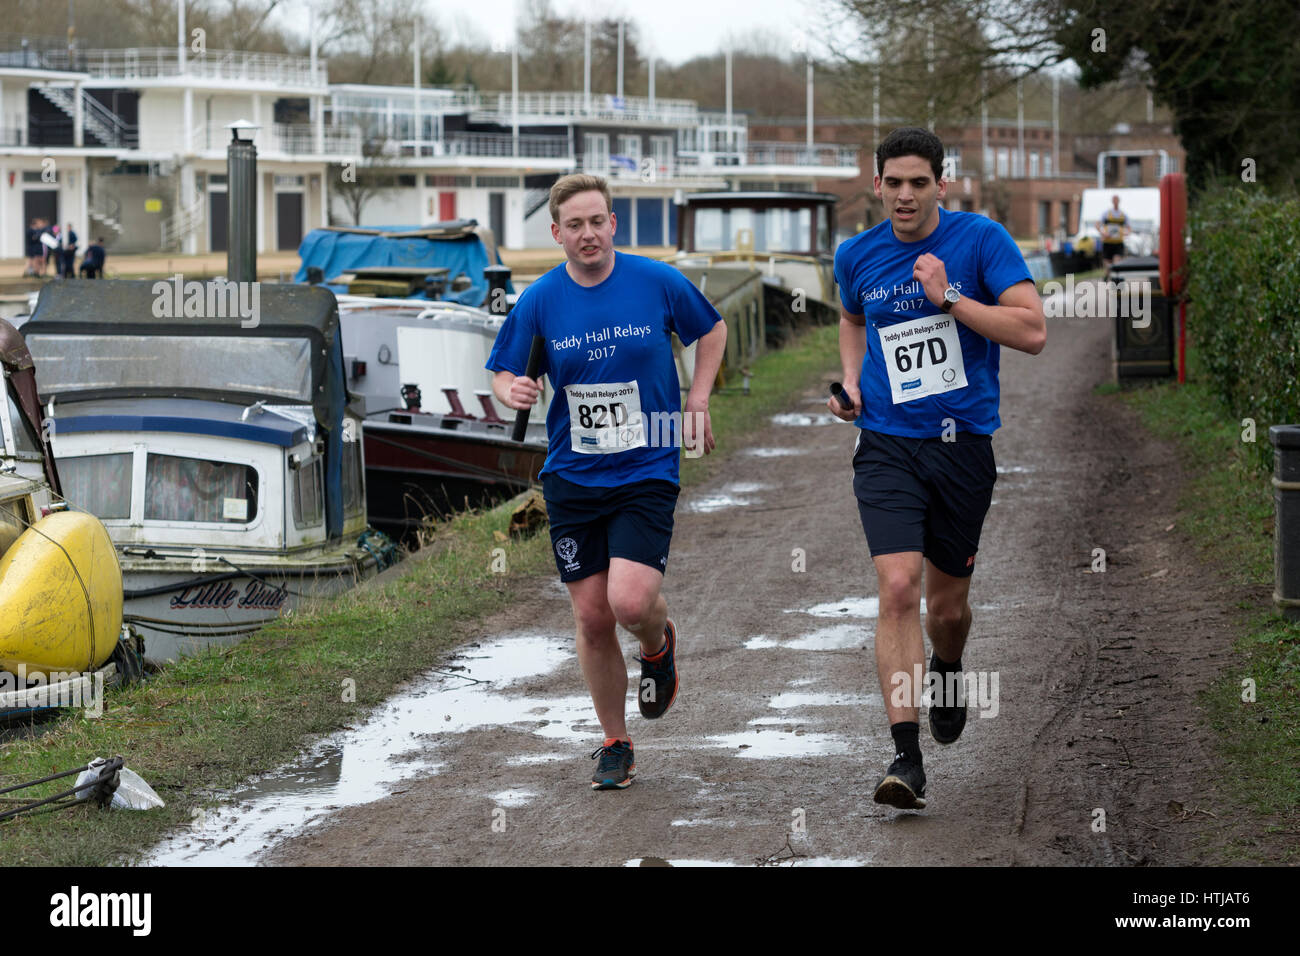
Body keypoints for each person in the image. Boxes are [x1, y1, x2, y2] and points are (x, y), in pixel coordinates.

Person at [828, 127, 1046, 810]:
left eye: (919, 182)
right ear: (877, 185)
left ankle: (948, 666)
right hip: (887, 443)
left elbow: (1033, 331)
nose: (905, 195)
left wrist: (950, 298)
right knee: (897, 587)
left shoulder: (981, 242)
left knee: (945, 610)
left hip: (962, 448)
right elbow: (851, 317)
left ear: (940, 186)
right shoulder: (856, 255)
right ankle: (906, 756)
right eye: (893, 182)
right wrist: (851, 381)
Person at [487, 173, 727, 791]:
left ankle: (657, 641)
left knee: (628, 603)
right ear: (556, 233)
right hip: (573, 475)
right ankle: (615, 742)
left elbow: (713, 328)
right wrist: (510, 388)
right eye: (575, 225)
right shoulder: (540, 300)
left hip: (646, 468)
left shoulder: (656, 282)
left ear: (613, 224)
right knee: (593, 617)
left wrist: (697, 397)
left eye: (597, 221)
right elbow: (505, 370)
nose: (587, 234)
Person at [1098, 195, 1129, 266]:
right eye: (1114, 200)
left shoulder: (1123, 214)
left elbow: (1129, 228)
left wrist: (1127, 233)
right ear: (1112, 201)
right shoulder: (1106, 214)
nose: (1116, 202)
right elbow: (1097, 225)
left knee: (1117, 261)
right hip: (1107, 242)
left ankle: (1115, 276)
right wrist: (1103, 233)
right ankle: (1107, 276)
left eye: (1117, 200)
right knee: (1107, 263)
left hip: (1118, 242)